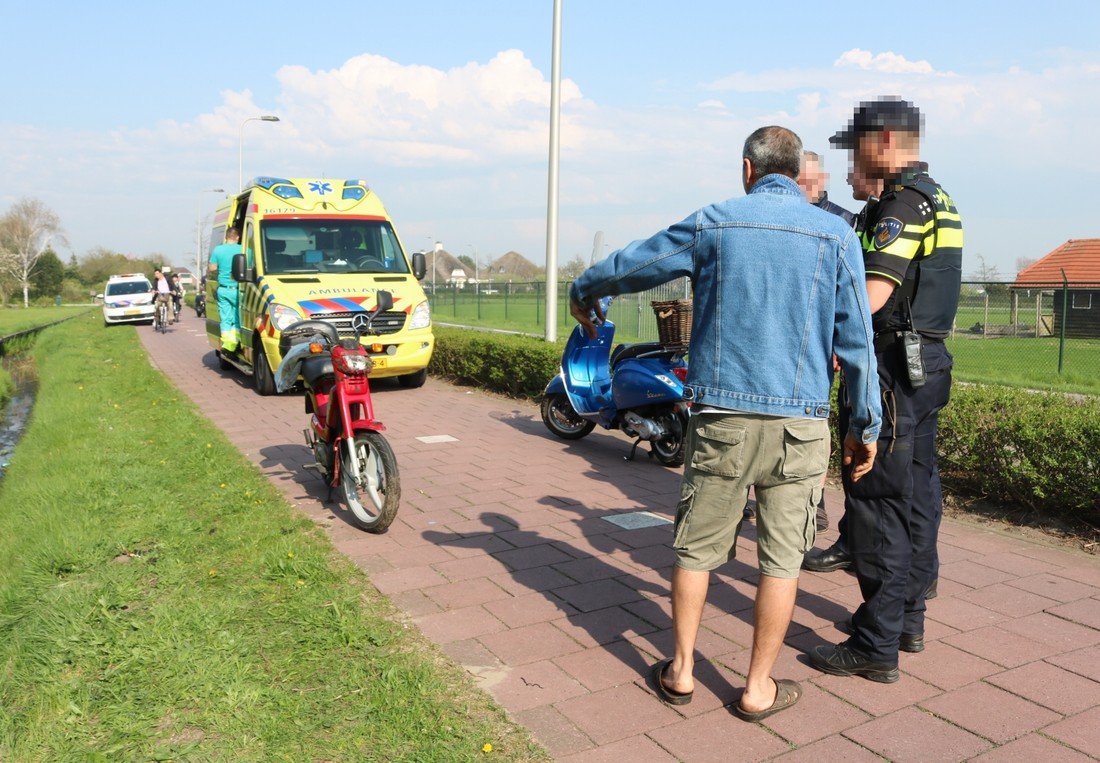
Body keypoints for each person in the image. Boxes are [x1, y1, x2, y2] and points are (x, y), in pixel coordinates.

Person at [569, 126, 881, 722]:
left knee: (695, 548)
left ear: (747, 169)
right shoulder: (837, 235)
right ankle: (757, 687)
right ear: (796, 173)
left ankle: (682, 670)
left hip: (723, 422)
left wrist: (586, 288)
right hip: (801, 425)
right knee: (781, 560)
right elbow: (858, 343)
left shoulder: (714, 223)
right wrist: (863, 425)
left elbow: (640, 260)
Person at [808, 98, 962, 682]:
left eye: (860, 143)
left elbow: (871, 295)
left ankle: (875, 646)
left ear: (888, 140)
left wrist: (825, 343)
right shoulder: (939, 197)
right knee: (919, 496)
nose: (855, 153)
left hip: (894, 370)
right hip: (929, 367)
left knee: (876, 502)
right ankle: (908, 620)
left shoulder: (901, 205)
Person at [744, 150, 859, 532]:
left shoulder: (844, 222)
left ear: (821, 179)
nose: (803, 187)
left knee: (807, 424)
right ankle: (762, 492)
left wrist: (840, 344)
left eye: (810, 181)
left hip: (818, 348)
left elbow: (851, 295)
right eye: (799, 180)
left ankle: (814, 503)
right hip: (777, 340)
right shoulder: (776, 216)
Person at [208, 227, 243, 353]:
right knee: (238, 318)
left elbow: (212, 268)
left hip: (223, 289)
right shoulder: (243, 249)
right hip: (238, 290)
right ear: (237, 237)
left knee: (225, 318)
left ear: (226, 237)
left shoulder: (218, 249)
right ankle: (235, 344)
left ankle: (227, 345)